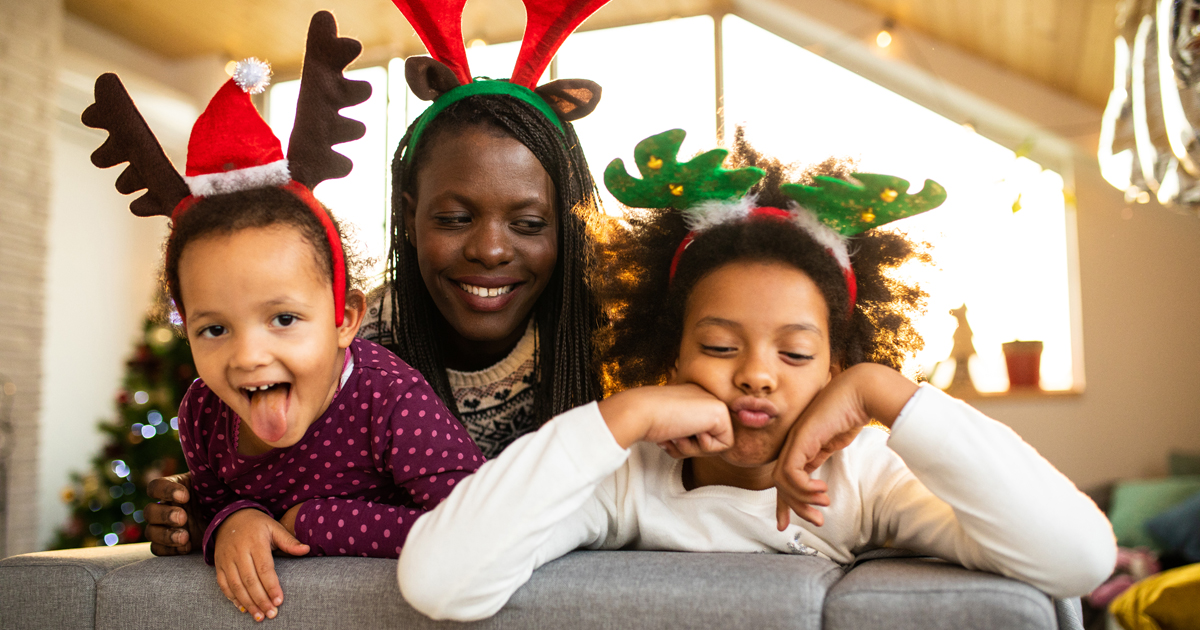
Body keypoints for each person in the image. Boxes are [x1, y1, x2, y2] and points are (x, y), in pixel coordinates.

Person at [395, 131, 1117, 621]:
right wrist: (626, 417)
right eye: (718, 346)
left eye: (796, 356)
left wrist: (885, 394)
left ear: (836, 367)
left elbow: (1078, 559)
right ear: (672, 355)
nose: (757, 376)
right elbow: (439, 582)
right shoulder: (626, 478)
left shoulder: (867, 478)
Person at [143, 0, 614, 555]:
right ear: (410, 217)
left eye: (530, 223)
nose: (489, 249)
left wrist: (305, 521)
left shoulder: (619, 349)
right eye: (454, 218)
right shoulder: (329, 350)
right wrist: (208, 510)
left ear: (570, 225)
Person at [84, 22, 483, 623]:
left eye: (284, 318)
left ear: (345, 318)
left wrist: (308, 522)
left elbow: (477, 522)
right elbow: (216, 502)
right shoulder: (203, 411)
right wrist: (228, 521)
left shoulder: (386, 397)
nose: (247, 357)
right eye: (214, 329)